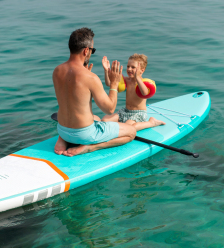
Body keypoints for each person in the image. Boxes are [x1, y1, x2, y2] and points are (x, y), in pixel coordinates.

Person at [52, 28, 136, 157]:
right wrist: (114, 83)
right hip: (84, 135)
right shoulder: (91, 78)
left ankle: (62, 139)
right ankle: (91, 147)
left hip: (62, 129)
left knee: (96, 118)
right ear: (86, 50)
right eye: (92, 50)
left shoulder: (57, 71)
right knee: (131, 132)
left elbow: (72, 98)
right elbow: (109, 109)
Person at [101, 53, 165, 130]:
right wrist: (106, 70)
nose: (129, 69)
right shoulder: (127, 80)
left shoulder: (143, 83)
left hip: (138, 114)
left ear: (142, 70)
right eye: (128, 66)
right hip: (125, 111)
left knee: (129, 128)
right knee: (104, 120)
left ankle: (152, 122)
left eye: (133, 67)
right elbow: (110, 84)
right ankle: (122, 125)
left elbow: (145, 93)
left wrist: (137, 77)